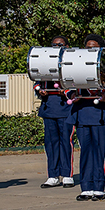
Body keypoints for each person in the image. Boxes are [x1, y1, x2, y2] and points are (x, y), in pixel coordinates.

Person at [67, 34, 105, 201]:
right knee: (85, 152)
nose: (91, 50)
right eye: (88, 47)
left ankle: (99, 187)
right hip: (81, 115)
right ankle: (86, 187)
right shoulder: (76, 65)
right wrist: (72, 95)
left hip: (100, 116)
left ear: (101, 49)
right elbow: (66, 86)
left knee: (99, 153)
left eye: (95, 47)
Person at [38, 35, 75, 190]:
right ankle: (53, 175)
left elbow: (76, 84)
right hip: (49, 108)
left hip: (65, 109)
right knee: (51, 144)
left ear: (66, 46)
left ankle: (67, 174)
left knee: (66, 142)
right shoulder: (45, 62)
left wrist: (66, 92)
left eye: (60, 44)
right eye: (53, 45)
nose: (57, 47)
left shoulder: (72, 62)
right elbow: (37, 82)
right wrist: (40, 91)